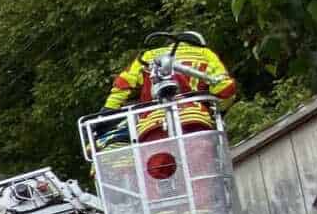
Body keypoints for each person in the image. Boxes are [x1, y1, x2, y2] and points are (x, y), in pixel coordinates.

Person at [95, 30, 237, 149]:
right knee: (201, 167)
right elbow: (224, 87)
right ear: (200, 43)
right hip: (195, 120)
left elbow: (123, 84)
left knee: (157, 169)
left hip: (151, 125)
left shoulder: (149, 56)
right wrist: (218, 110)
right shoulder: (205, 54)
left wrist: (107, 112)